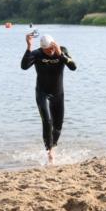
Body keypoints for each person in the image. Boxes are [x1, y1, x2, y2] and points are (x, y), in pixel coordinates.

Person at [21, 33, 77, 164]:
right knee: (47, 120)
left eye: (52, 48)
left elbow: (73, 67)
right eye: (47, 50)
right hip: (42, 93)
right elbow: (24, 66)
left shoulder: (62, 51)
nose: (50, 52)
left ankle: (53, 146)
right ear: (42, 48)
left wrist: (60, 54)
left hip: (58, 94)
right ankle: (49, 152)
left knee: (58, 126)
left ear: (54, 44)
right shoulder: (37, 54)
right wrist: (29, 47)